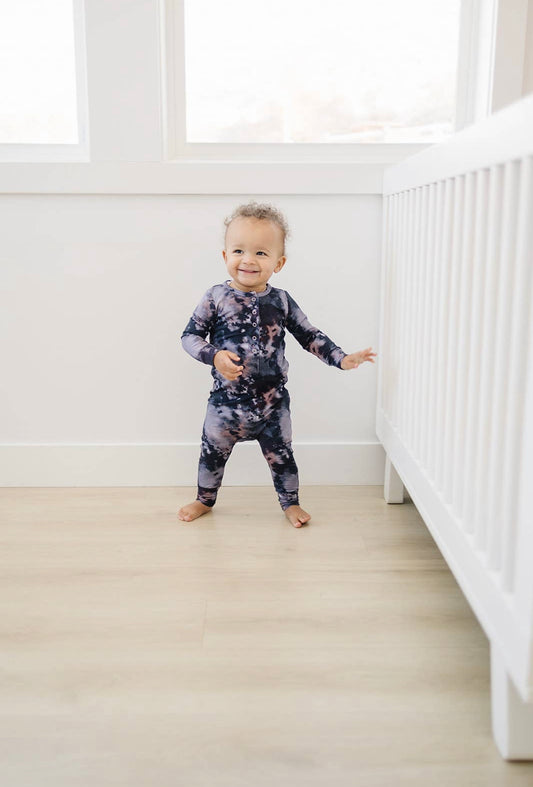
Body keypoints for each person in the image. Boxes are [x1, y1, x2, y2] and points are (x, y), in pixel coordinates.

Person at [178, 202, 376, 528]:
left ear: (279, 263)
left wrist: (341, 358)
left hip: (272, 404)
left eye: (261, 253)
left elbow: (309, 334)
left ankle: (291, 503)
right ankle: (204, 499)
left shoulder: (281, 301)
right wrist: (214, 355)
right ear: (225, 256)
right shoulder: (215, 298)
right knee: (212, 453)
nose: (248, 260)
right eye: (239, 250)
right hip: (226, 404)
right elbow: (189, 336)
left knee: (282, 456)